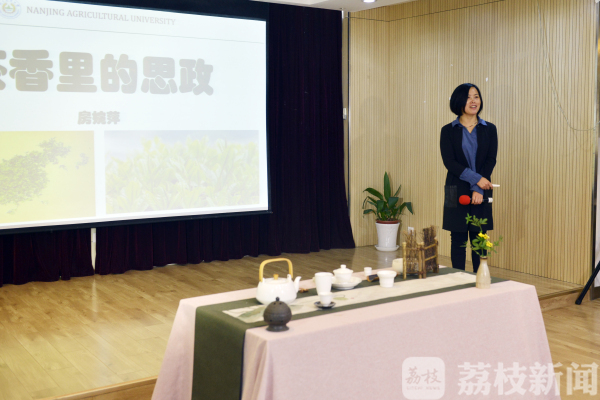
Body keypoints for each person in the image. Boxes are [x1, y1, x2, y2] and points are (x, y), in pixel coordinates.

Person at [440, 83, 498, 273]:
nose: (473, 101)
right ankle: (458, 282)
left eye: (476, 96)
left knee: (479, 238)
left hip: (481, 190)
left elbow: (490, 160)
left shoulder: (490, 129)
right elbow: (450, 162)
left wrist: (478, 187)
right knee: (457, 240)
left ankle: (479, 280)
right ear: (459, 101)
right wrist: (476, 179)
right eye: (468, 97)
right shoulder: (448, 130)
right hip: (455, 189)